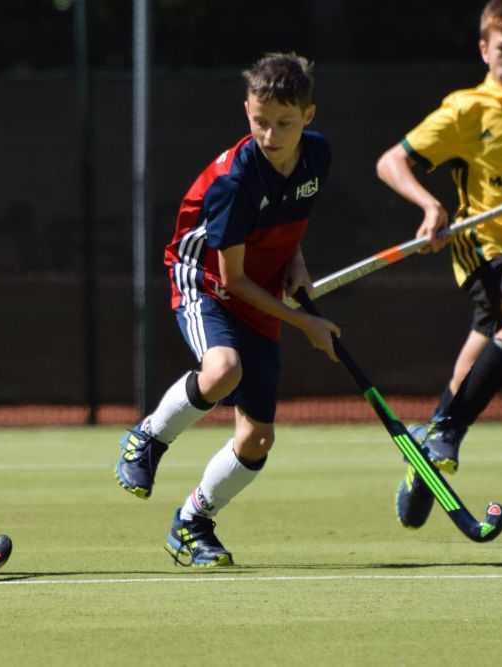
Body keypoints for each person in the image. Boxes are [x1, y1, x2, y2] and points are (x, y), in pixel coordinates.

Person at [114, 53, 340, 567]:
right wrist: (306, 323)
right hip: (207, 282)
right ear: (246, 110)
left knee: (257, 438)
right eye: (260, 122)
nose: (270, 135)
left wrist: (296, 262)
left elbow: (289, 218)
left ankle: (192, 523)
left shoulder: (318, 155)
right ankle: (147, 438)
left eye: (284, 123)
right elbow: (232, 280)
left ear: (308, 116)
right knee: (223, 369)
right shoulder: (235, 183)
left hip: (259, 287)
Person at [377, 0, 502, 529]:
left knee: (470, 365)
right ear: (484, 50)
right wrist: (430, 207)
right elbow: (391, 162)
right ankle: (450, 430)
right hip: (488, 249)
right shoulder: (467, 111)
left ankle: (428, 448)